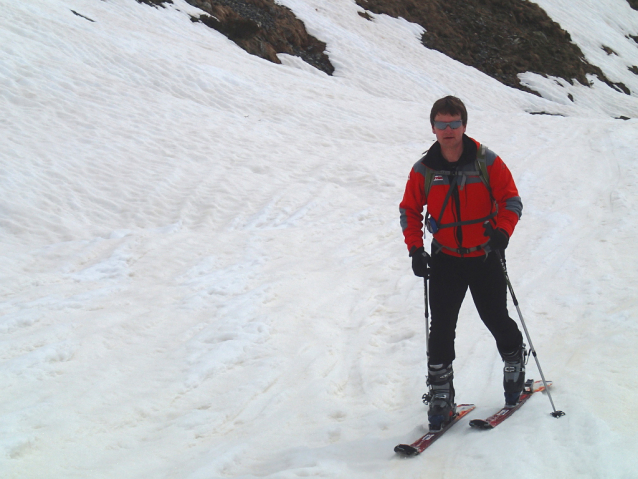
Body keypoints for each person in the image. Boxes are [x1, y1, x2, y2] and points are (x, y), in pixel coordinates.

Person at [399, 96, 526, 430]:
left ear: (464, 125)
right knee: (441, 327)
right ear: (433, 128)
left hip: (484, 255)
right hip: (445, 260)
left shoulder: (486, 161)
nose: (448, 130)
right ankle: (441, 393)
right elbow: (409, 210)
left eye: (454, 123)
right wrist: (415, 249)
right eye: (442, 124)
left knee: (495, 317)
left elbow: (511, 200)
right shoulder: (425, 169)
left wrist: (502, 233)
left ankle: (515, 359)